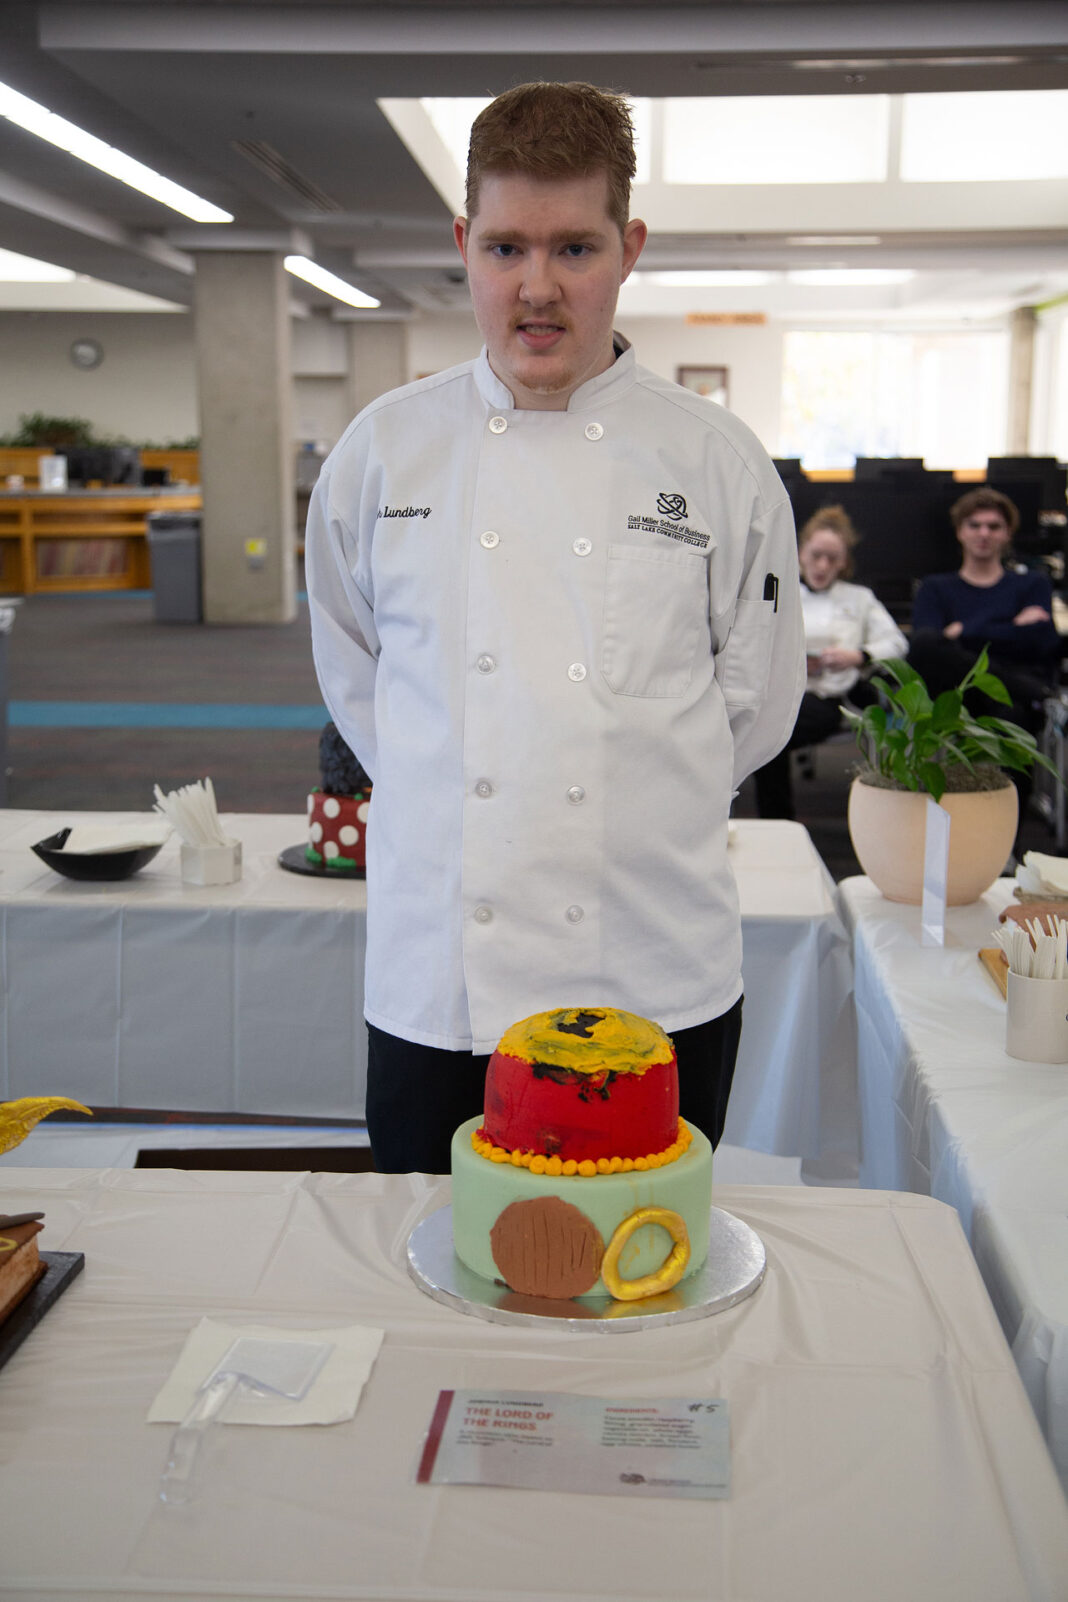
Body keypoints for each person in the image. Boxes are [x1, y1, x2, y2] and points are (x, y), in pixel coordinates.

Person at [305, 81, 804, 1173]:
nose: (537, 288)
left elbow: (757, 709)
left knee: (645, 1280)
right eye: (505, 248)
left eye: (574, 248)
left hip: (651, 961)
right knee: (432, 1273)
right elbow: (358, 677)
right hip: (441, 978)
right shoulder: (383, 454)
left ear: (628, 248)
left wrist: (640, 787)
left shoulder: (717, 463)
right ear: (463, 245)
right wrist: (458, 775)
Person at [908, 487, 1062, 828]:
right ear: (960, 531)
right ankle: (1021, 686)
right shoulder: (936, 588)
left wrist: (961, 632)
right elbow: (924, 646)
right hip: (956, 694)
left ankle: (1007, 839)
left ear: (1007, 533)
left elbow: (1043, 643)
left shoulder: (1032, 585)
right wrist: (1008, 628)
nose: (983, 533)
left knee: (1012, 714)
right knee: (925, 648)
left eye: (993, 526)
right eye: (974, 525)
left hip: (1010, 701)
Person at [753, 506, 907, 820]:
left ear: (844, 562)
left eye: (833, 559)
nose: (823, 566)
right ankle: (774, 821)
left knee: (767, 737)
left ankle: (778, 821)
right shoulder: (779, 592)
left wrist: (859, 655)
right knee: (765, 732)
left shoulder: (859, 598)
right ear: (800, 553)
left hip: (830, 699)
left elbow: (897, 643)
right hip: (781, 692)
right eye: (816, 555)